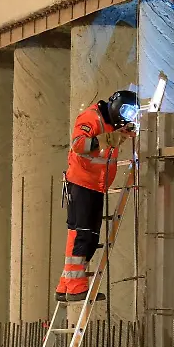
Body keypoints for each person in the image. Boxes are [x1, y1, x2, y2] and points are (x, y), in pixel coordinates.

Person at [55, 90, 139, 303]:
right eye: (126, 111)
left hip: (95, 186)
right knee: (82, 234)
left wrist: (122, 133)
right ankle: (75, 287)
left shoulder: (113, 125)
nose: (127, 116)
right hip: (82, 183)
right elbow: (78, 144)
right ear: (116, 105)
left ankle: (66, 285)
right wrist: (107, 139)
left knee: (88, 235)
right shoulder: (91, 118)